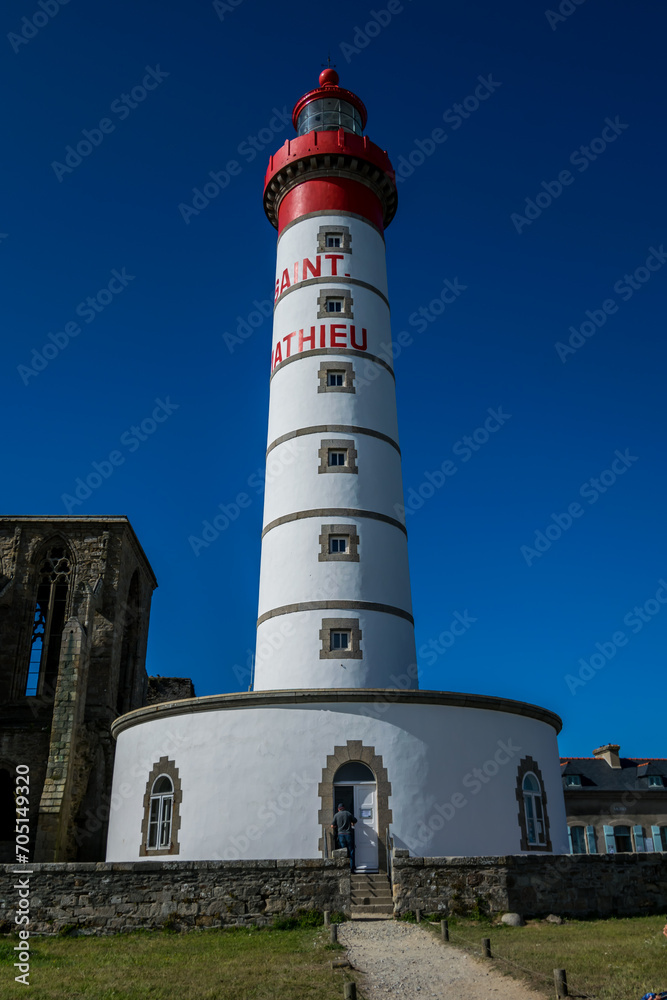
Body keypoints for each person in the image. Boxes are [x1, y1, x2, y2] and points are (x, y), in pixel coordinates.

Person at [331, 803, 357, 871]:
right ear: (343, 808)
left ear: (338, 809)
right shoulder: (348, 813)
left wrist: (337, 826)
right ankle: (352, 868)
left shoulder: (336, 815)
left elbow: (332, 826)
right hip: (348, 834)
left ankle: (344, 869)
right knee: (351, 851)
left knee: (343, 851)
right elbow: (355, 820)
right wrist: (352, 824)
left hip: (341, 834)